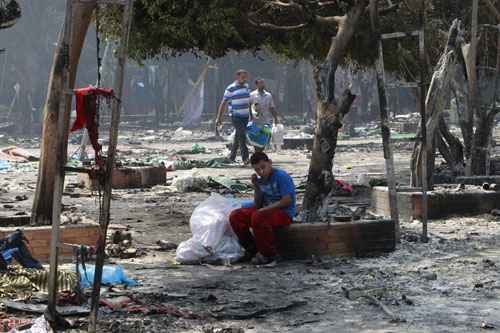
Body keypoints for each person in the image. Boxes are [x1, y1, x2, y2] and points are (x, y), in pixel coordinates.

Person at [229, 152, 296, 265]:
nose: (261, 172)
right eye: (257, 170)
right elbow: (257, 203)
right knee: (236, 216)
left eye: (263, 167)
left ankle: (268, 254)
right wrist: (256, 186)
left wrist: (263, 210)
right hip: (266, 211)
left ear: (270, 163)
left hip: (284, 213)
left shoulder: (281, 176)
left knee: (258, 216)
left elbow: (287, 201)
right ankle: (252, 249)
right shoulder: (261, 179)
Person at [216, 69, 251, 164]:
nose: (244, 79)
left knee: (238, 136)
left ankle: (232, 157)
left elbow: (249, 101)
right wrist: (219, 118)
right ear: (237, 77)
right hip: (236, 116)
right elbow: (223, 103)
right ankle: (245, 158)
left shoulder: (247, 86)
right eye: (242, 77)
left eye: (245, 77)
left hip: (245, 116)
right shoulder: (230, 88)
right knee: (242, 136)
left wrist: (252, 115)